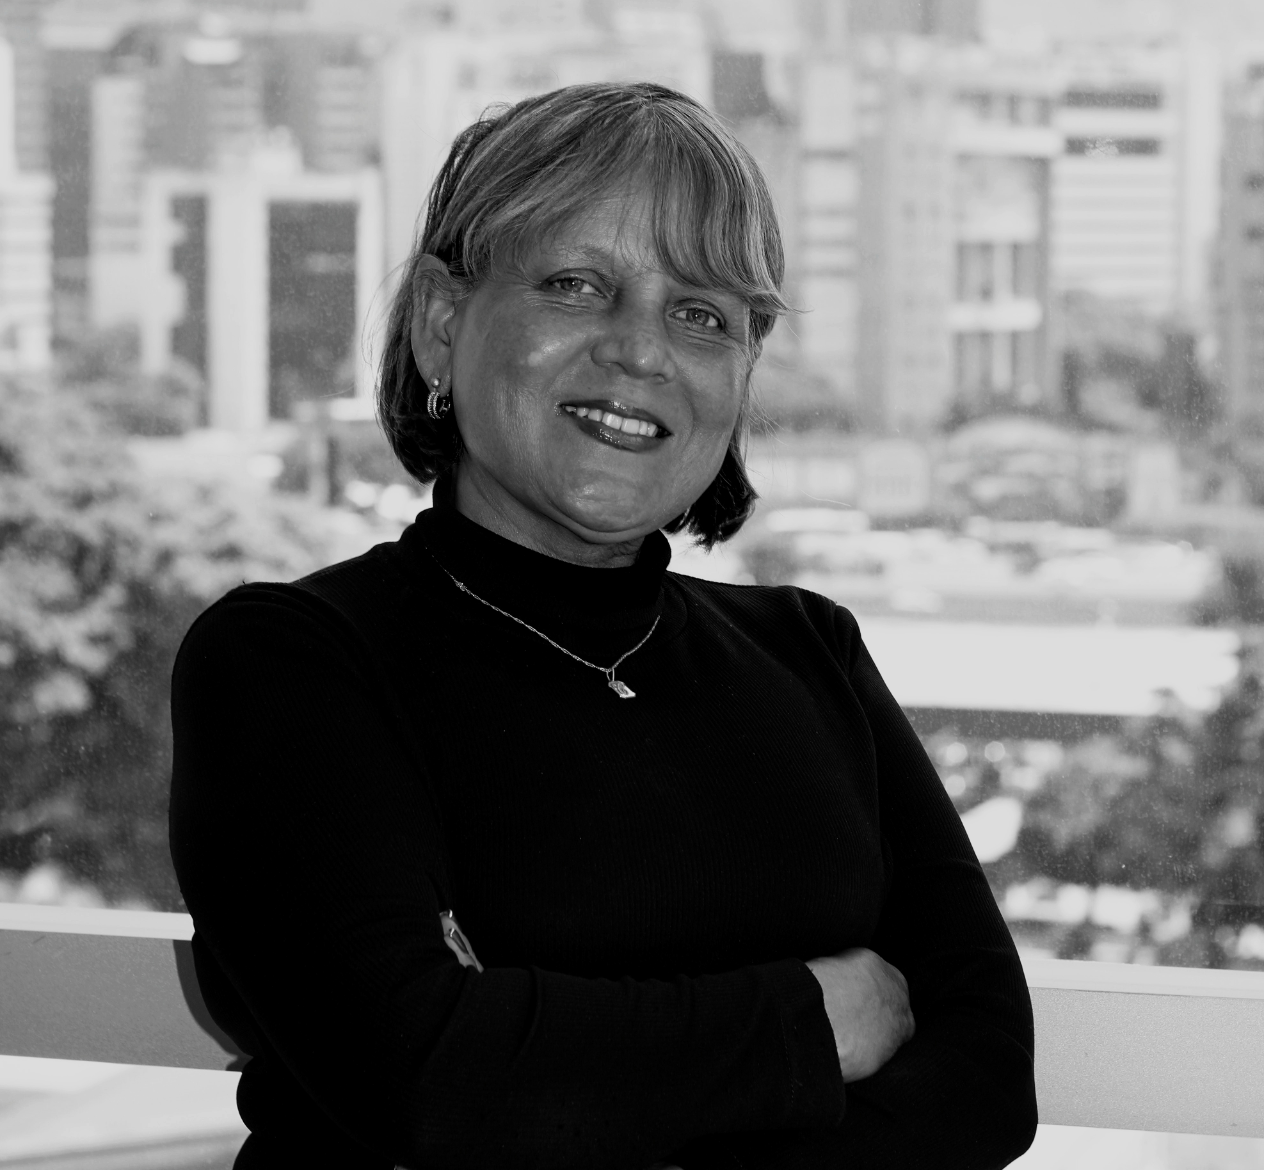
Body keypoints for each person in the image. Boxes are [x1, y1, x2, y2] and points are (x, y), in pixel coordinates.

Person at [169, 81, 1037, 1170]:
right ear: (441, 323)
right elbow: (426, 1078)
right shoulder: (290, 665)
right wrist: (817, 1022)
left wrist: (553, 1059)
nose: (641, 350)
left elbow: (985, 1080)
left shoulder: (810, 650)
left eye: (701, 314)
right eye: (577, 285)